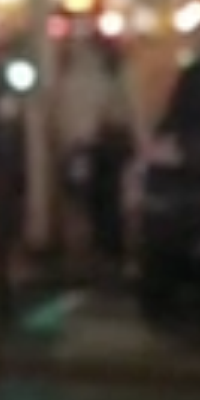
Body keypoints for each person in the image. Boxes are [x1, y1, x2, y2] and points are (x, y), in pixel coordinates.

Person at [53, 33, 138, 261]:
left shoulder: (67, 81)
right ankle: (107, 247)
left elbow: (61, 118)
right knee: (106, 201)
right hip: (100, 150)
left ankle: (85, 247)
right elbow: (119, 114)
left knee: (81, 201)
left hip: (79, 149)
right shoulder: (108, 79)